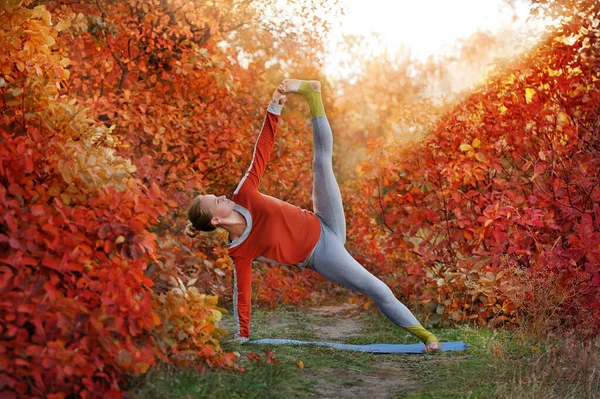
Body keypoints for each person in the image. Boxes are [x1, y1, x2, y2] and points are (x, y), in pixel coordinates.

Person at [185, 79, 440, 352]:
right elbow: (242, 295)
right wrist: (242, 335)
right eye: (216, 201)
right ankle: (428, 338)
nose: (222, 196)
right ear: (215, 220)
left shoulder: (243, 193)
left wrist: (274, 108)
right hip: (322, 254)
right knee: (377, 290)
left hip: (322, 218)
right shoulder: (240, 251)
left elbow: (262, 151)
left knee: (321, 161)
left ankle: (312, 94)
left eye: (217, 195)